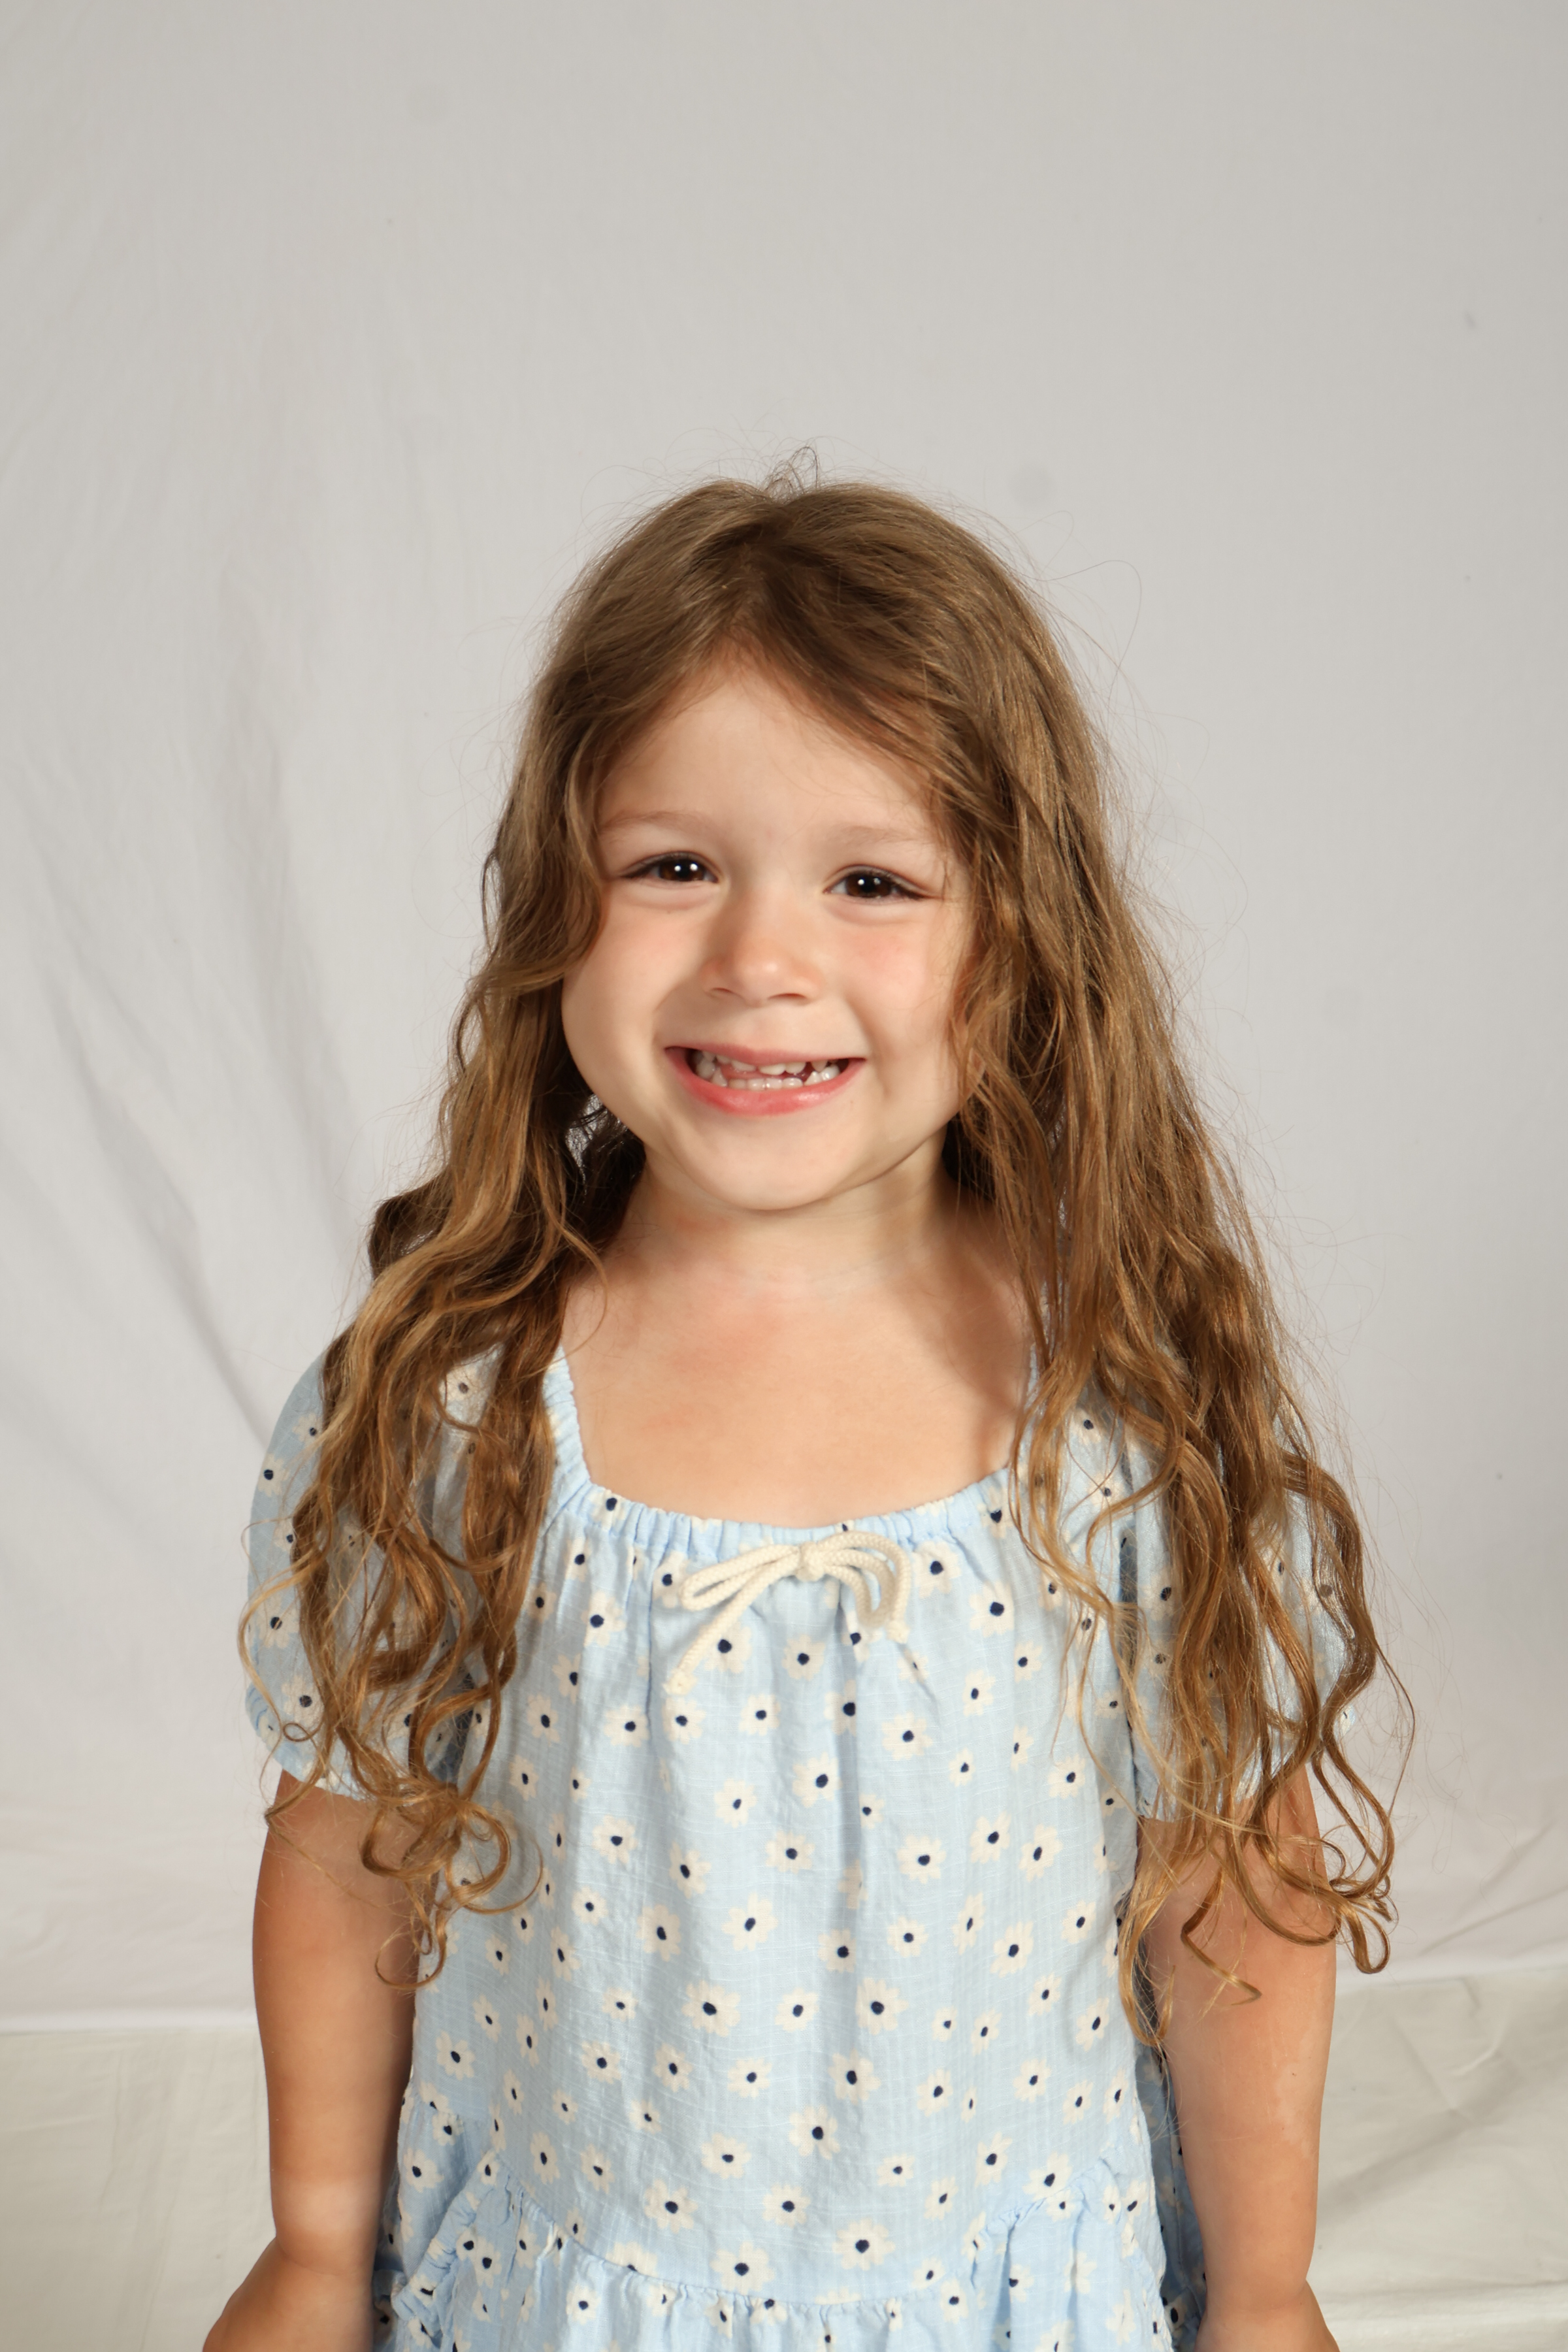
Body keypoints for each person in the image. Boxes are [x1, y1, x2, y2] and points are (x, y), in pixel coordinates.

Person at [208, 470, 1398, 2352]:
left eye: (873, 882)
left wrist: (1264, 2290)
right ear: (556, 907)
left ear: (1023, 942)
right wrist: (310, 2248)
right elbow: (351, 1847)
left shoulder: (1121, 1409)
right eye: (674, 866)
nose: (761, 960)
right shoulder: (462, 1400)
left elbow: (1233, 1888)